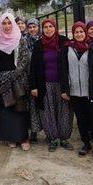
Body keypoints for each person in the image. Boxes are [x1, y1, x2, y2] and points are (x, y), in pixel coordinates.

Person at [60, 22, 93, 160]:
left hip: (90, 91)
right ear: (73, 34)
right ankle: (86, 143)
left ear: (85, 33)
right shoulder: (67, 49)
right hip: (74, 91)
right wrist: (64, 89)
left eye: (81, 32)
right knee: (81, 119)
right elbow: (63, 70)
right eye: (76, 32)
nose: (79, 34)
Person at [29, 19, 73, 152]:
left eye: (50, 26)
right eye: (45, 27)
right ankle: (53, 138)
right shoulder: (39, 44)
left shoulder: (64, 42)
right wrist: (34, 86)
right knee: (48, 112)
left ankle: (64, 138)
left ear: (55, 27)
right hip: (45, 84)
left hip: (62, 84)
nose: (48, 29)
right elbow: (33, 67)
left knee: (64, 110)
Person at [0, 12, 31, 150]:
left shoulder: (20, 39)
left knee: (20, 109)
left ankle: (23, 138)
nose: (7, 26)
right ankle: (11, 137)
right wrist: (1, 78)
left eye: (9, 23)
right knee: (7, 110)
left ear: (14, 24)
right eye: (4, 23)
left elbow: (23, 60)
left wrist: (13, 75)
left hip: (17, 79)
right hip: (2, 80)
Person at [24, 18, 42, 143]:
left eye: (34, 27)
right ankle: (34, 131)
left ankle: (48, 130)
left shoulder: (43, 41)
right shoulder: (24, 42)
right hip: (28, 77)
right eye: (30, 27)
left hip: (42, 76)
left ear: (38, 27)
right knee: (32, 105)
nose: (32, 29)